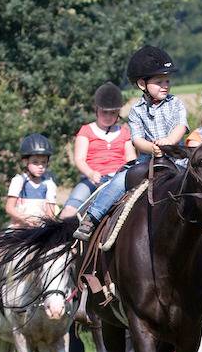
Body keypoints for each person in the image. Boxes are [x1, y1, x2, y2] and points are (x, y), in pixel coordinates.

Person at [73, 46, 188, 241]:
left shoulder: (176, 103)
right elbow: (136, 140)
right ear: (142, 84)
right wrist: (152, 148)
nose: (165, 85)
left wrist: (169, 142)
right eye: (159, 81)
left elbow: (181, 126)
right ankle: (92, 217)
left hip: (176, 159)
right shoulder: (136, 110)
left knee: (197, 183)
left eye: (167, 80)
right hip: (147, 160)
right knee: (119, 180)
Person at [60, 82, 136, 219]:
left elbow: (131, 159)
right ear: (96, 109)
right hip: (92, 180)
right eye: (104, 112)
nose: (108, 116)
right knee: (68, 212)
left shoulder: (125, 132)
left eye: (113, 113)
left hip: (118, 181)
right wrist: (91, 173)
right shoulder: (86, 130)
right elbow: (79, 159)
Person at [6, 134, 57, 228]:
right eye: (35, 162)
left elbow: (51, 214)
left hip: (39, 230)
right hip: (18, 228)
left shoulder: (49, 184)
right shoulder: (18, 181)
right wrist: (24, 219)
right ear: (26, 162)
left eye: (44, 162)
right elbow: (9, 208)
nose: (40, 166)